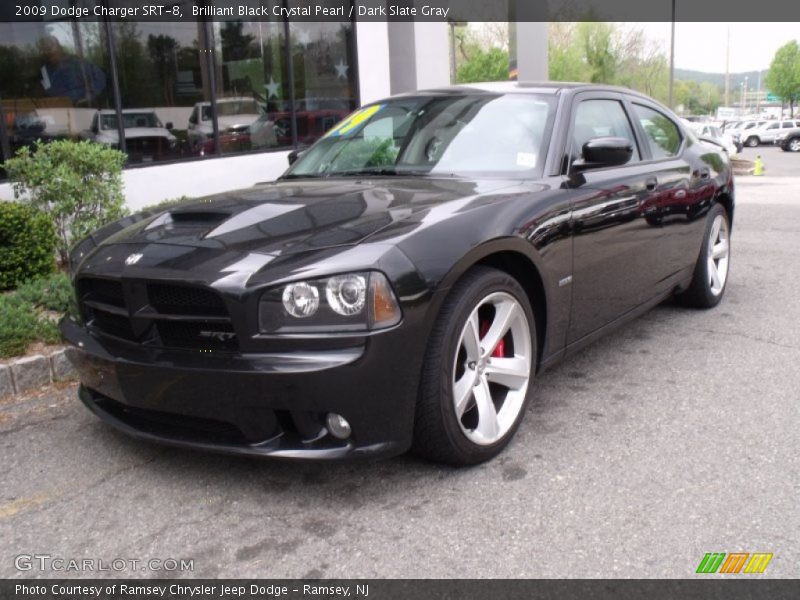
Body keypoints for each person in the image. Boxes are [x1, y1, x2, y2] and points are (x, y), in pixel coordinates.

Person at [41, 35, 106, 106]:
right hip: (56, 109)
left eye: (51, 49)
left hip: (81, 107)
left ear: (60, 49)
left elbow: (100, 78)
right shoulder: (45, 71)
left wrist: (89, 94)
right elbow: (46, 93)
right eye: (46, 50)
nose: (49, 53)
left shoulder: (76, 63)